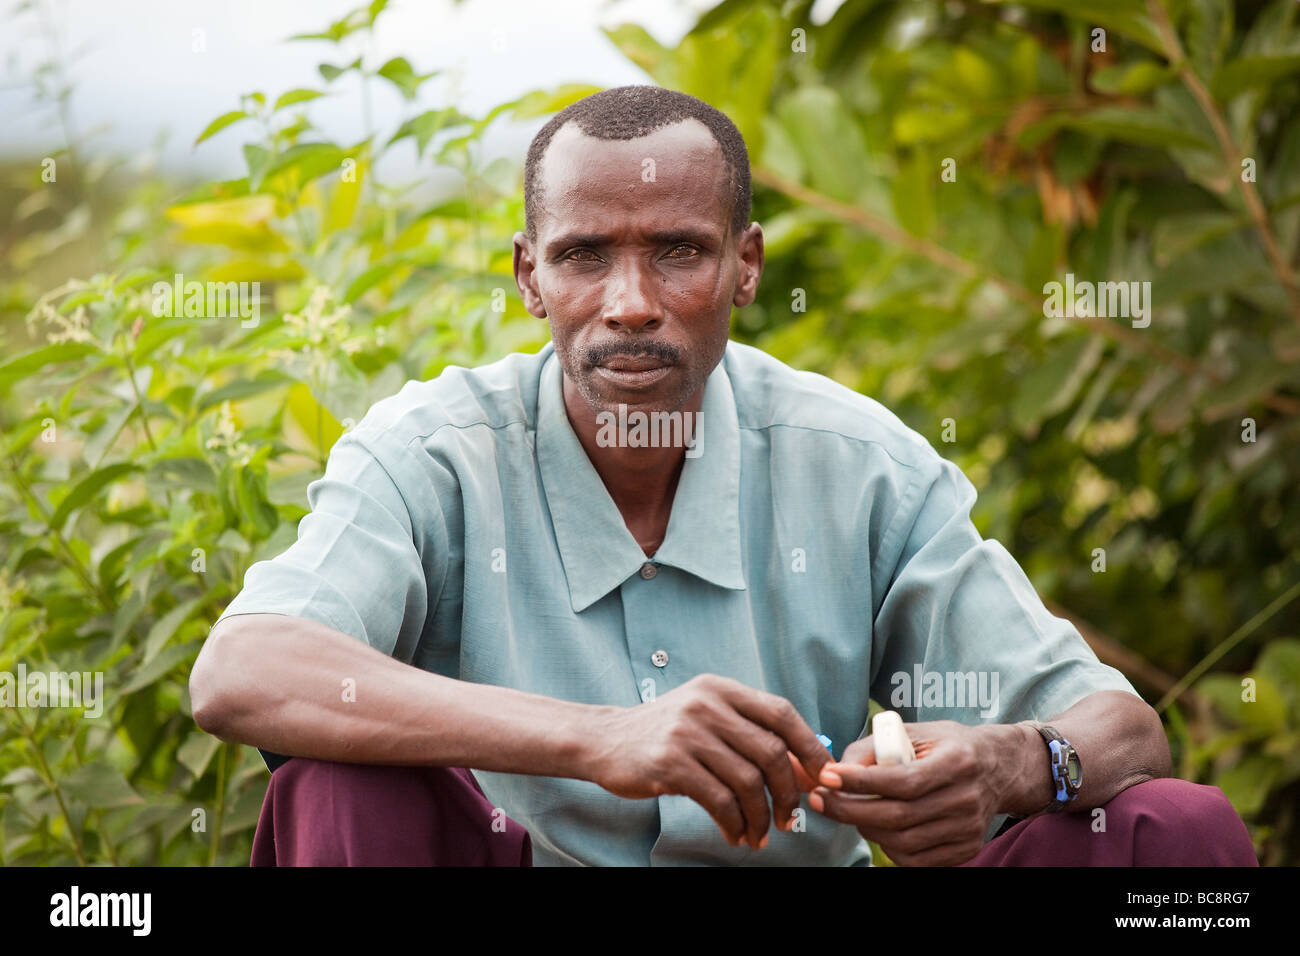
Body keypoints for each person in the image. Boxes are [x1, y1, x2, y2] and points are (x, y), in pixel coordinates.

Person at [188, 85, 1257, 867]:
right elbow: (242, 671)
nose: (630, 301)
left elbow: (1119, 726)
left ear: (745, 265)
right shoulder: (432, 451)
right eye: (583, 256)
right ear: (528, 275)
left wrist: (1018, 763)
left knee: (1173, 831)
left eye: (678, 252)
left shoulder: (857, 464)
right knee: (335, 782)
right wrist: (605, 739)